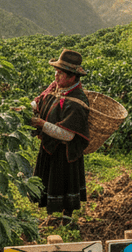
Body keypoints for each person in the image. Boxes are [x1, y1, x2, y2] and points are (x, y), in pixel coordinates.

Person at [29, 49, 91, 221]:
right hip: (50, 148)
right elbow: (40, 100)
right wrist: (25, 108)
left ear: (72, 77)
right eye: (56, 72)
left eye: (60, 74)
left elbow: (68, 135)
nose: (56, 77)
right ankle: (51, 214)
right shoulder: (56, 88)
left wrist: (42, 124)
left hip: (64, 153)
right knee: (50, 180)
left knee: (64, 182)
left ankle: (67, 216)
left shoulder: (78, 102)